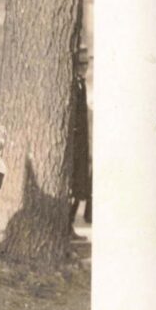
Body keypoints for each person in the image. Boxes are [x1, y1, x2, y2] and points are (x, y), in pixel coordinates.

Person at [70, 51, 92, 225]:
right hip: (74, 143)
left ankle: (69, 226)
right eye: (81, 64)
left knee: (79, 185)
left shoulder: (81, 84)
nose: (84, 67)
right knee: (73, 185)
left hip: (82, 143)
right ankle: (67, 225)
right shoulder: (72, 85)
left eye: (86, 64)